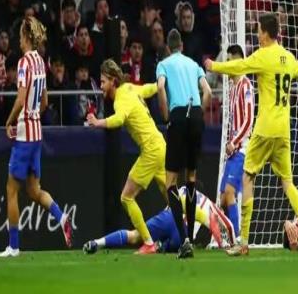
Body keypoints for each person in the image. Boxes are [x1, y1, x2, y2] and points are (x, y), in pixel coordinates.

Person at [204, 13, 298, 256]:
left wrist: (214, 66)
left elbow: (239, 66)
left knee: (247, 178)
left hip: (264, 130)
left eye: (259, 31)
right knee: (288, 183)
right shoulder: (288, 57)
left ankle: (243, 242)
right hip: (284, 131)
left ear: (266, 33)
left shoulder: (263, 56)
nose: (257, 35)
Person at [0, 17, 73, 257]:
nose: (19, 41)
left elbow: (21, 100)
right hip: (37, 133)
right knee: (33, 190)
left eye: (20, 36)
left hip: (23, 136)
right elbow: (45, 102)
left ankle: (13, 246)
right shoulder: (41, 61)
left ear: (26, 37)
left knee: (11, 189)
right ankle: (62, 217)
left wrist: (10, 121)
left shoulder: (24, 63)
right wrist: (33, 117)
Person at [86, 59, 167, 255]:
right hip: (160, 144)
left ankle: (148, 243)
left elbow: (119, 119)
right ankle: (206, 220)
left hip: (151, 150)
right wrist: (160, 83)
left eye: (103, 82)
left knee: (126, 197)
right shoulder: (130, 88)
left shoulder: (121, 98)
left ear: (113, 81)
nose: (101, 86)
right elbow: (148, 89)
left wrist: (97, 122)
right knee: (172, 197)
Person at [156, 29, 212, 258]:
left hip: (178, 116)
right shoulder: (193, 64)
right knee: (190, 178)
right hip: (196, 115)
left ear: (168, 48)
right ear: (182, 46)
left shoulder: (164, 64)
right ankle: (189, 236)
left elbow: (160, 87)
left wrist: (166, 115)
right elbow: (207, 91)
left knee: (170, 181)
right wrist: (200, 114)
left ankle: (184, 240)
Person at [83, 186, 235, 254]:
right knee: (180, 243)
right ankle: (161, 246)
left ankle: (97, 242)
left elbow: (173, 205)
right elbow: (217, 223)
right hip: (180, 235)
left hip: (168, 217)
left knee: (135, 235)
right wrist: (226, 244)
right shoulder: (208, 205)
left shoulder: (182, 190)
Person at [218, 45, 254, 240]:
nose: (227, 65)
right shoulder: (232, 89)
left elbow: (248, 120)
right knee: (223, 198)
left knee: (230, 192)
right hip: (232, 151)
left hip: (242, 149)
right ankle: (228, 236)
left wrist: (234, 142)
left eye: (229, 60)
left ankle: (237, 238)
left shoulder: (246, 85)